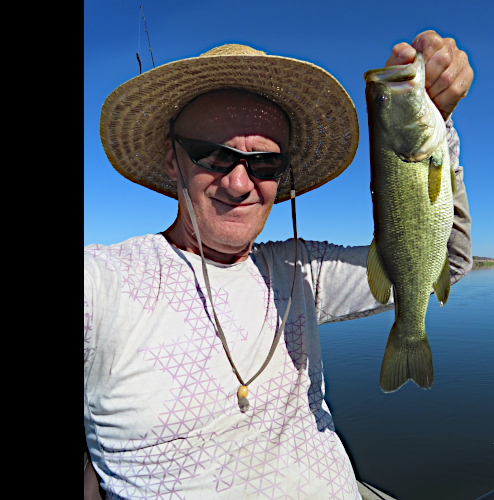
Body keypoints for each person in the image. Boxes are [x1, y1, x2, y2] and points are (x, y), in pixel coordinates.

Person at [84, 30, 473, 500]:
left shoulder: (301, 271)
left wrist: (439, 130)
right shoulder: (105, 283)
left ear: (282, 176)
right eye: (215, 154)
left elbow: (446, 263)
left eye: (265, 163)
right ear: (172, 161)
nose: (240, 181)